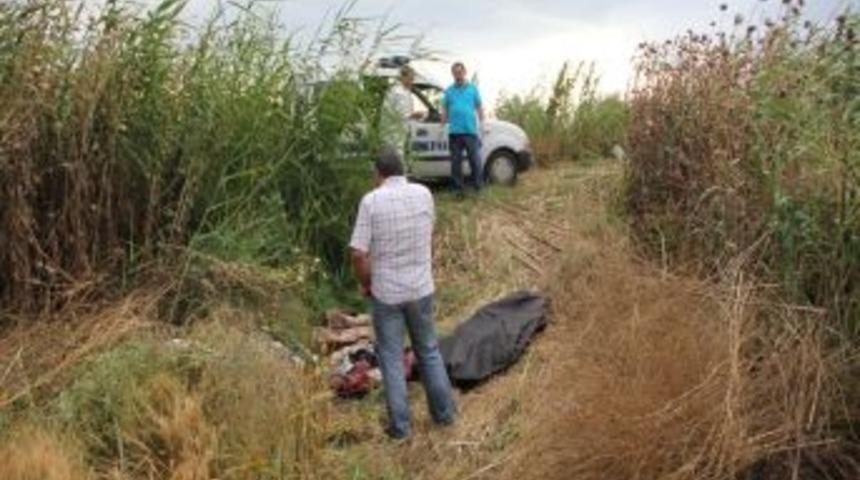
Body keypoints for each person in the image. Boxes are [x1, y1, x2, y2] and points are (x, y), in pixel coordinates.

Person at [349, 148, 457, 440]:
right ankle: (444, 416)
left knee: (392, 358)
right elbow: (427, 232)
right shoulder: (424, 194)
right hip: (420, 288)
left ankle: (401, 429)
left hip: (387, 294)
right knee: (429, 351)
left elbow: (358, 254)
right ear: (402, 170)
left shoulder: (371, 201)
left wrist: (367, 283)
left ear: (378, 174)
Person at [441, 62, 485, 195]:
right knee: (456, 164)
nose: (458, 75)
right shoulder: (449, 91)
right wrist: (442, 125)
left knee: (475, 161)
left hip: (470, 131)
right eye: (455, 73)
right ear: (452, 74)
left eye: (460, 72)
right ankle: (458, 190)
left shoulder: (473, 89)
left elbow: (478, 107)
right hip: (454, 132)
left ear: (465, 72)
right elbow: (444, 108)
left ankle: (478, 187)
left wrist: (483, 123)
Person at [381, 65, 423, 158]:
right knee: (395, 158)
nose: (412, 81)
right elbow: (395, 114)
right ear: (403, 77)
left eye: (413, 79)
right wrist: (412, 115)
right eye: (410, 78)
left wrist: (415, 118)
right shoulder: (396, 92)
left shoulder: (406, 92)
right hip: (393, 132)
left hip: (402, 132)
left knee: (399, 156)